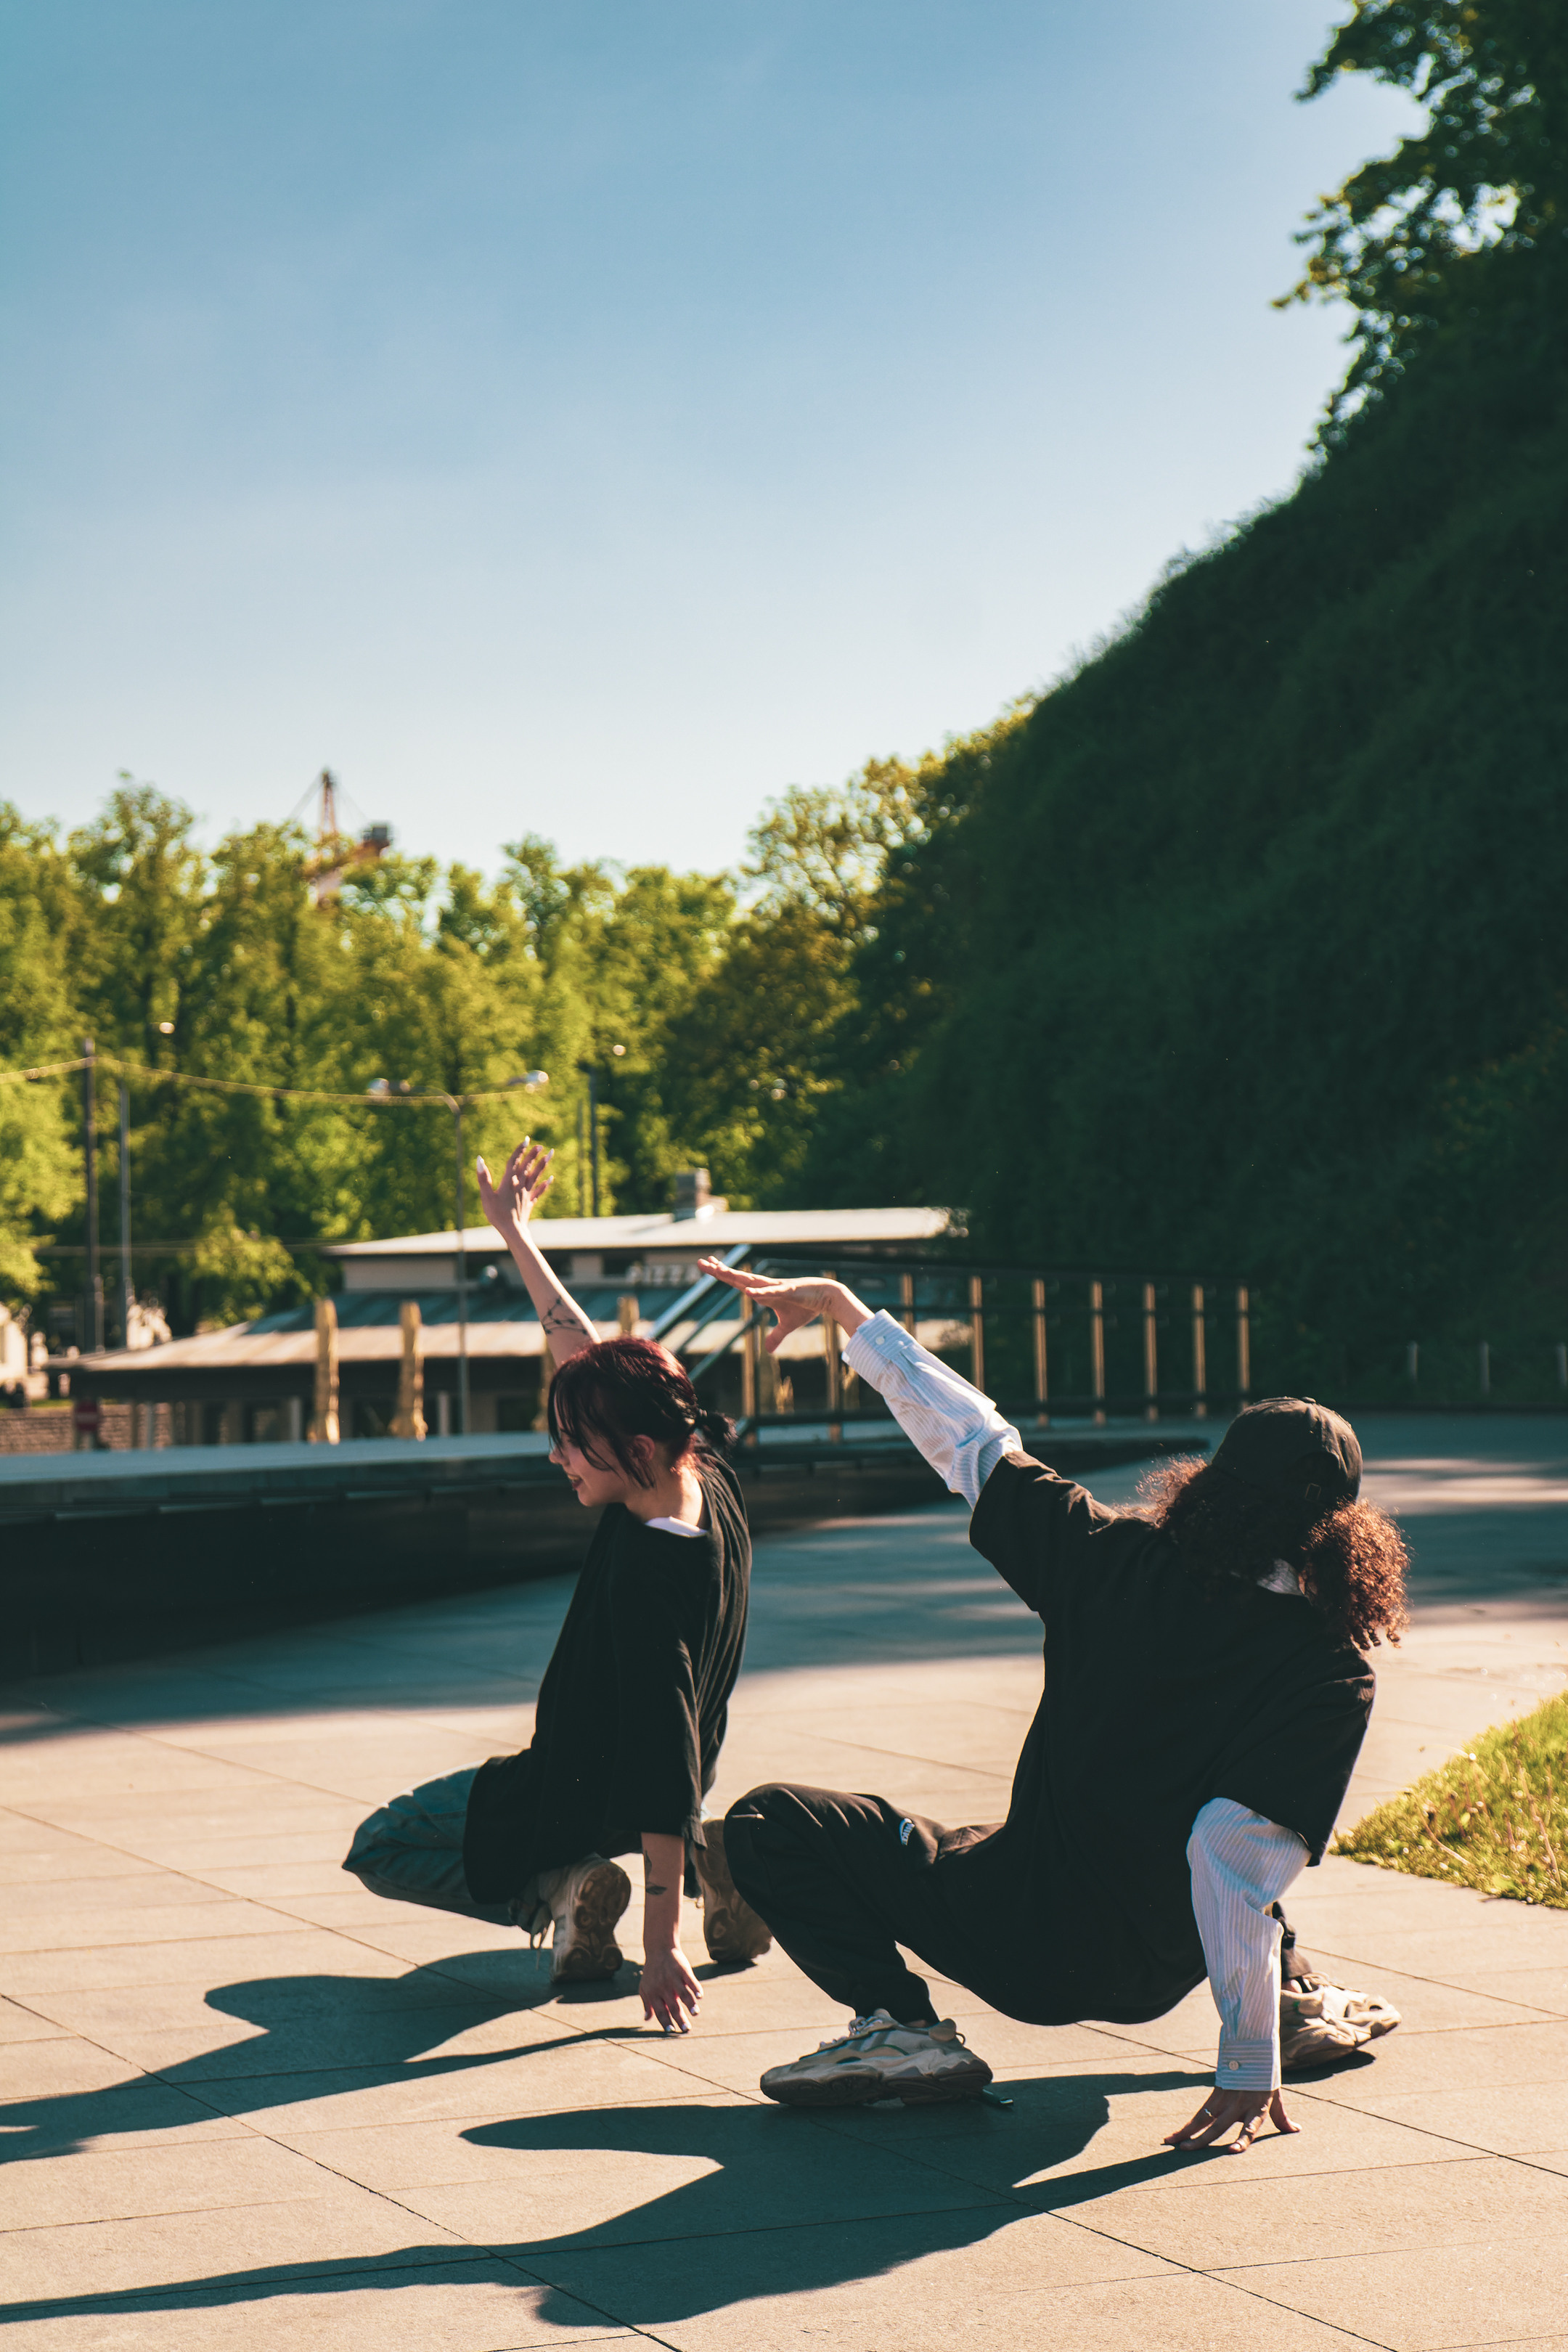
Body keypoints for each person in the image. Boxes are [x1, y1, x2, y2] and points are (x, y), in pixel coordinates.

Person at [700, 1258, 1408, 2150]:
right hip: (1163, 1961)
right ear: (1346, 1530)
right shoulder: (1332, 1669)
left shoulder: (1110, 1559)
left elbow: (977, 1445)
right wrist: (1245, 2052)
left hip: (1025, 1940)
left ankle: (904, 2029)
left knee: (769, 1822)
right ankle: (1293, 1992)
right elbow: (1228, 1856)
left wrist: (852, 1317)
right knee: (1253, 1816)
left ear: (1210, 1486)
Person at [343, 1141, 770, 2035]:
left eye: (572, 1444)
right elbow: (583, 1354)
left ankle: (567, 1886)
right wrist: (515, 1235)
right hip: (651, 1782)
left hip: (579, 1785)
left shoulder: (653, 1578)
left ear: (635, 1451)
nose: (557, 1456)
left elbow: (664, 1763)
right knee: (669, 1813)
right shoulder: (698, 1466)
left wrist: (661, 1944)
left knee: (382, 1844)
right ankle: (720, 1868)